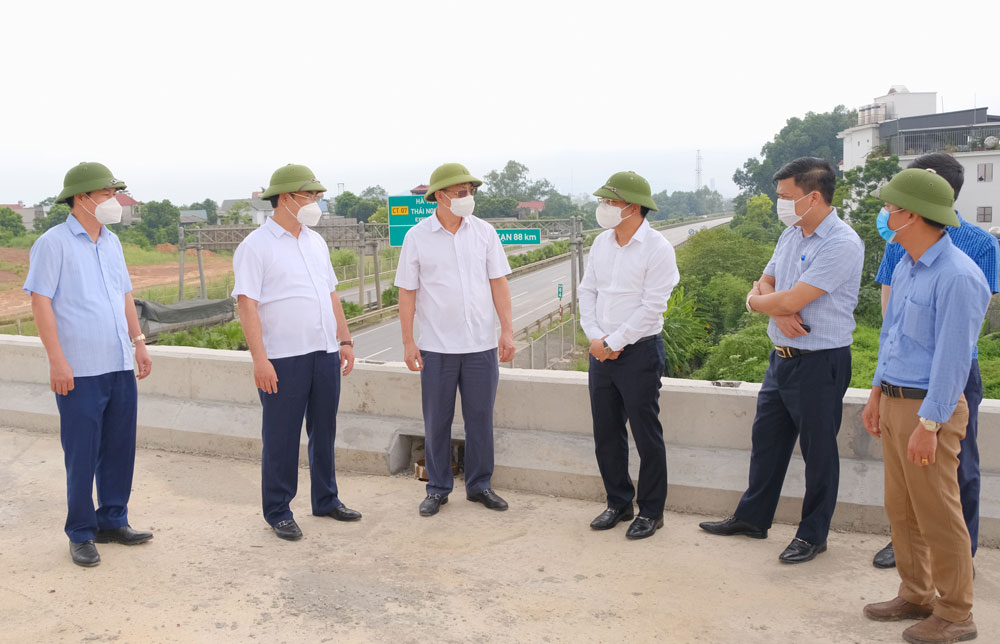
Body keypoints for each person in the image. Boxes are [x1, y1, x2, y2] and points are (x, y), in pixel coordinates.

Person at [699, 157, 864, 563]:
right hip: (782, 359)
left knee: (818, 452)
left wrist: (760, 304)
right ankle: (753, 519)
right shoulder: (792, 234)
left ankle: (812, 534)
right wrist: (777, 307)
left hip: (820, 362)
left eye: (786, 196)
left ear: (813, 196)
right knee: (767, 443)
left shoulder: (841, 242)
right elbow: (768, 280)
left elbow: (776, 295)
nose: (781, 204)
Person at [861, 168, 988, 644]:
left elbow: (954, 360)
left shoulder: (958, 277)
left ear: (912, 214)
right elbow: (891, 339)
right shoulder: (905, 265)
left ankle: (956, 613)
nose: (885, 214)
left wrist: (929, 423)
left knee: (938, 512)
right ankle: (916, 593)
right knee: (903, 509)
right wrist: (875, 394)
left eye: (891, 207)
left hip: (927, 410)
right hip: (895, 400)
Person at [23, 162, 153, 567]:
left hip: (117, 362)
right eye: (107, 194)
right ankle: (80, 532)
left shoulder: (111, 242)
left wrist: (139, 342)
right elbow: (41, 302)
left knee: (119, 448)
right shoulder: (53, 243)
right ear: (82, 198)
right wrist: (57, 360)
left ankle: (113, 519)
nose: (114, 201)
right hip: (78, 369)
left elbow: (125, 296)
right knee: (82, 453)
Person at [232, 164, 359, 541]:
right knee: (282, 436)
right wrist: (260, 359)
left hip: (323, 351)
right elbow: (247, 305)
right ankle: (278, 510)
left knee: (324, 430)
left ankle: (326, 498)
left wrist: (345, 339)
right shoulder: (256, 246)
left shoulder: (315, 241)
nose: (317, 203)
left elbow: (331, 294)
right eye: (311, 197)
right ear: (286, 198)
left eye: (318, 197)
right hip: (283, 357)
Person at [394, 162, 516, 517]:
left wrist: (506, 331)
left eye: (471, 192)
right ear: (441, 196)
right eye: (461, 192)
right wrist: (407, 342)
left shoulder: (484, 233)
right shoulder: (417, 237)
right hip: (436, 347)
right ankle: (438, 488)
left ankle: (480, 486)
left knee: (480, 420)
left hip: (480, 347)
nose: (468, 198)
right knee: (437, 422)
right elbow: (407, 293)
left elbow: (499, 284)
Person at [579, 171, 678, 540]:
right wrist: (596, 337)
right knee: (606, 432)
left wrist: (616, 341)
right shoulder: (601, 244)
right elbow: (587, 291)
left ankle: (651, 511)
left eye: (609, 202)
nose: (602, 209)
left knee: (645, 433)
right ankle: (618, 502)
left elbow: (653, 307)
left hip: (639, 352)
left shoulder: (658, 249)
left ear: (632, 207)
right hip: (600, 350)